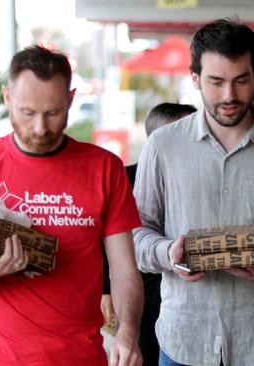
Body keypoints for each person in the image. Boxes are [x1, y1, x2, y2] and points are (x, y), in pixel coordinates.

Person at [0, 45, 143, 366]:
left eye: (53, 112)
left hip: (79, 357)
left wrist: (128, 332)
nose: (40, 128)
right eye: (27, 113)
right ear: (7, 98)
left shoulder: (104, 167)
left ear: (71, 100)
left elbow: (124, 268)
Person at [132, 19, 254, 366]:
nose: (229, 96)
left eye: (241, 81)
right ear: (195, 79)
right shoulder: (163, 146)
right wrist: (169, 253)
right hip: (185, 338)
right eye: (216, 82)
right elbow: (137, 233)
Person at [101, 102, 197, 366]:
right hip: (139, 290)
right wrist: (106, 290)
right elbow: (104, 236)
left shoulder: (199, 177)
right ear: (158, 139)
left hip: (187, 290)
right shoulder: (124, 177)